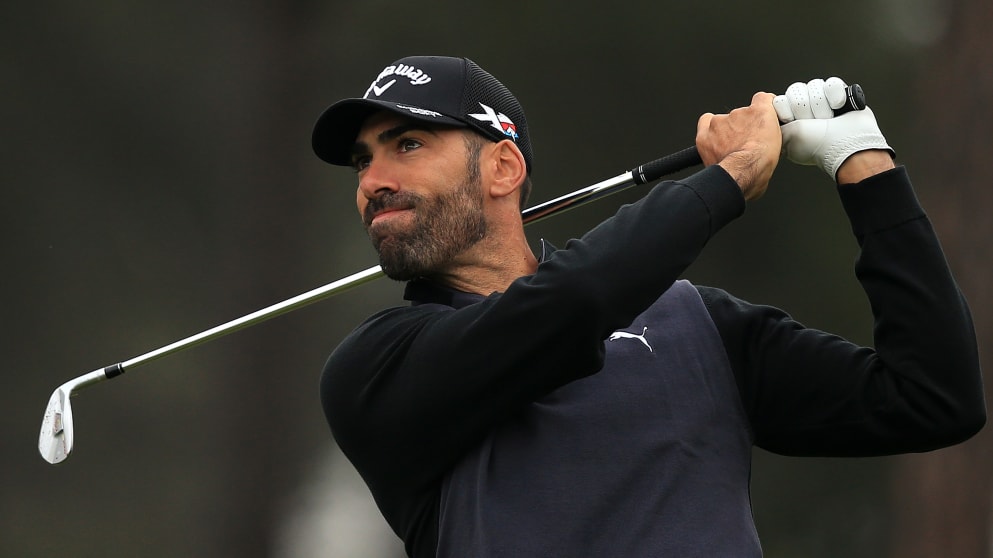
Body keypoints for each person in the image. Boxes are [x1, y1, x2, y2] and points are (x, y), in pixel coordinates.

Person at [311, 55, 985, 557]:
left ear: (502, 170)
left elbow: (931, 398)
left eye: (405, 146)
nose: (373, 181)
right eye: (361, 162)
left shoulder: (694, 324)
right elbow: (568, 305)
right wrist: (727, 181)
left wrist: (864, 165)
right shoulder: (376, 368)